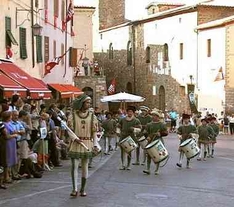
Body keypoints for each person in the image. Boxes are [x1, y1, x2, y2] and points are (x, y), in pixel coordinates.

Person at [68, 94, 99, 197]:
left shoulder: (92, 116)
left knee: (85, 166)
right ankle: (74, 189)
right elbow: (69, 130)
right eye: (87, 102)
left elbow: (94, 131)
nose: (89, 104)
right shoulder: (73, 115)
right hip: (76, 142)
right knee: (74, 166)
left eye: (90, 103)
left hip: (87, 142)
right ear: (82, 103)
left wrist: (95, 144)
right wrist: (74, 138)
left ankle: (82, 189)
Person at [143, 110, 168, 175]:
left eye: (154, 116)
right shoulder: (149, 124)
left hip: (158, 141)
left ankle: (157, 169)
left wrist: (160, 134)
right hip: (150, 141)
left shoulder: (161, 124)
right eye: (152, 115)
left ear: (157, 117)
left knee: (158, 155)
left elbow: (166, 133)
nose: (153, 117)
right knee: (149, 155)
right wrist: (147, 136)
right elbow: (145, 132)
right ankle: (148, 169)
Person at [118, 106, 141, 170]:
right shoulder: (122, 119)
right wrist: (118, 132)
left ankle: (128, 165)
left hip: (131, 137)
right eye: (128, 111)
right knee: (122, 151)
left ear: (133, 113)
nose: (130, 113)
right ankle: (122, 164)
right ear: (127, 112)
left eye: (131, 112)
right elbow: (118, 126)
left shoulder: (136, 120)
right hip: (123, 136)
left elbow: (139, 129)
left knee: (129, 151)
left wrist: (134, 129)